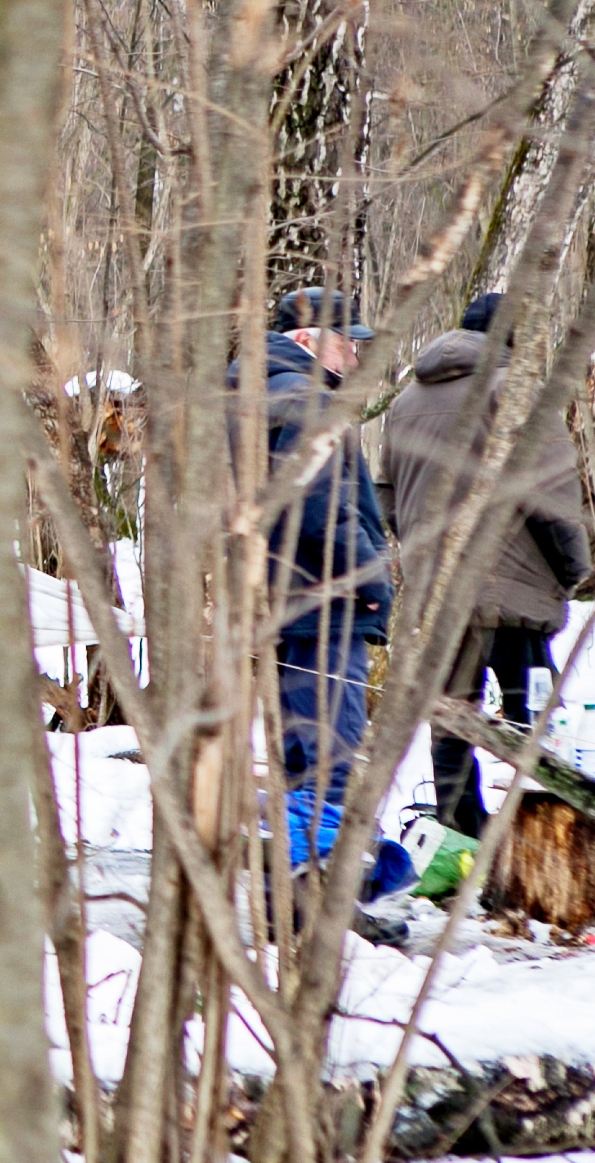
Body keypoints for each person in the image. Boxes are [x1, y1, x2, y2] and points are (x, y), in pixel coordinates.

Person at [379, 293, 592, 837]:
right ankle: (543, 846)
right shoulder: (515, 393)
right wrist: (573, 568)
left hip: (436, 592)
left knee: (451, 717)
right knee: (542, 730)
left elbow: (385, 497)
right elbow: (550, 497)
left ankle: (456, 838)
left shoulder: (406, 402)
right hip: (511, 595)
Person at [231, 287, 397, 878]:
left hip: (287, 602)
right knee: (329, 750)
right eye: (346, 343)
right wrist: (370, 577)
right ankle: (325, 896)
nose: (354, 356)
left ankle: (300, 892)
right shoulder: (302, 398)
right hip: (324, 602)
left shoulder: (260, 391)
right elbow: (319, 505)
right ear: (306, 341)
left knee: (303, 754)